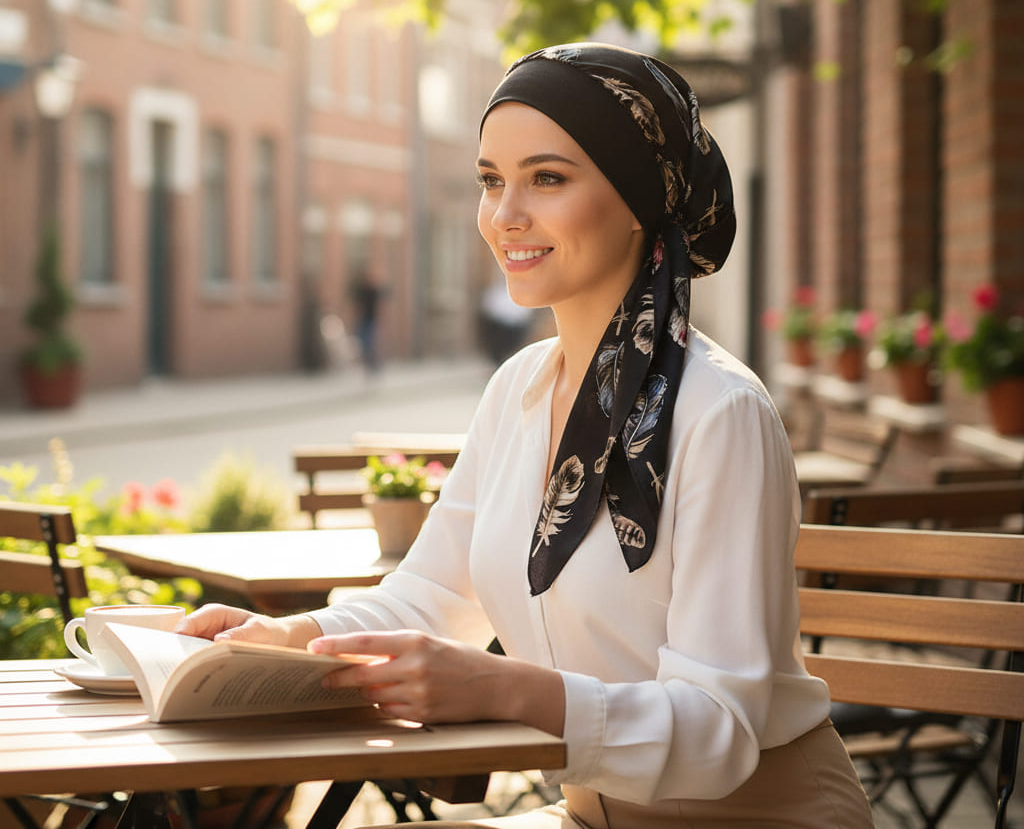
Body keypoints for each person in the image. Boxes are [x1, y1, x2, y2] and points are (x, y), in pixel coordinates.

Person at [177, 43, 874, 828]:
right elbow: (433, 595)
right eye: (490, 181)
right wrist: (289, 638)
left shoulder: (721, 414)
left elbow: (720, 731)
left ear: (639, 196)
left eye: (547, 178)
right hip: (586, 814)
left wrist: (501, 689)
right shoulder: (518, 390)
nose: (505, 214)